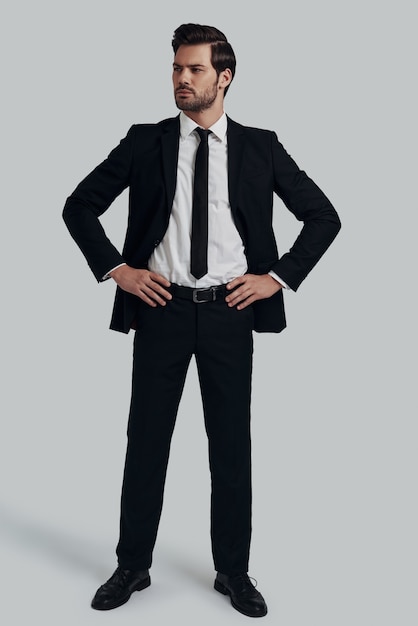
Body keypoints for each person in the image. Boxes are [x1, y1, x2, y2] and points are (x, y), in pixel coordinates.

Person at [63, 23, 341, 618]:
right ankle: (133, 566)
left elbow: (323, 216)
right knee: (146, 444)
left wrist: (278, 277)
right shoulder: (146, 141)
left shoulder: (261, 146)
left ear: (224, 77)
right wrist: (119, 268)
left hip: (228, 315)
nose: (182, 79)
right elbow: (78, 205)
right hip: (160, 310)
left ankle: (234, 572)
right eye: (176, 69)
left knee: (230, 446)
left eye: (194, 70)